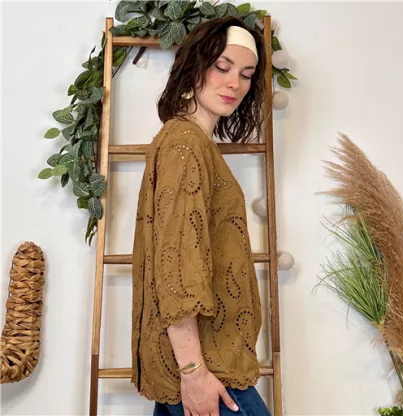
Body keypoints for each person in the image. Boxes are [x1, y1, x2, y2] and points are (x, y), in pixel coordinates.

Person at [131, 16, 270, 416]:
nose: (234, 83)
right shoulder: (185, 144)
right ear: (195, 66)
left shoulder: (189, 142)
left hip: (194, 364)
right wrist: (193, 372)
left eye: (246, 75)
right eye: (222, 67)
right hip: (207, 366)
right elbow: (177, 267)